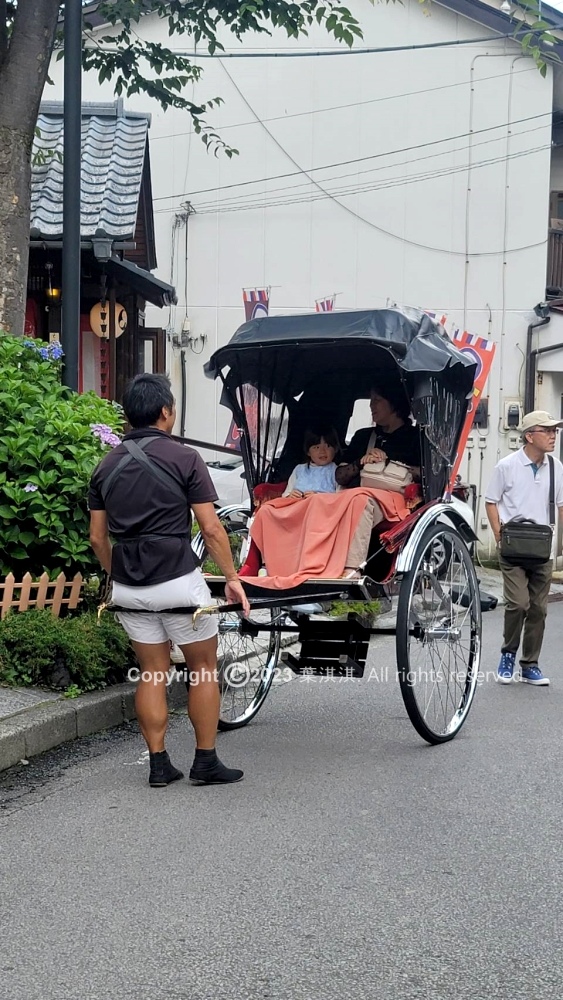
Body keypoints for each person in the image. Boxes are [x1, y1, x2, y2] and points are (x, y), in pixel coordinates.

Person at [88, 373, 250, 788]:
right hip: (178, 580)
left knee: (152, 672)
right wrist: (232, 578)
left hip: (129, 586)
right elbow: (212, 529)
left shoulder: (105, 466)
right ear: (165, 411)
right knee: (203, 668)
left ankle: (158, 765)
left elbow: (96, 537)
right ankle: (205, 762)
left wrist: (114, 575)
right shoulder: (184, 458)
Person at [485, 410, 563, 686]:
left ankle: (530, 664)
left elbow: (561, 506)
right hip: (514, 546)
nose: (553, 436)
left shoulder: (556, 467)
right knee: (518, 604)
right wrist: (498, 535)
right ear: (530, 436)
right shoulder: (507, 466)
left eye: (555, 431)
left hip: (543, 547)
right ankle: (507, 655)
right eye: (548, 431)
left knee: (539, 609)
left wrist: (560, 547)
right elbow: (491, 501)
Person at [335, 384, 421, 489]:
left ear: (394, 402)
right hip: (358, 497)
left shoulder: (417, 438)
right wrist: (362, 462)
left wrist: (386, 464)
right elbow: (340, 477)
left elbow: (426, 475)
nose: (371, 405)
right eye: (371, 400)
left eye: (377, 400)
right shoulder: (362, 436)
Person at [283, 426, 340, 498]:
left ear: (335, 449)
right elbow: (285, 494)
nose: (322, 451)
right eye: (316, 447)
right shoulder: (299, 469)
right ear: (308, 452)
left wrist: (319, 498)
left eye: (327, 446)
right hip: (297, 505)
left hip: (321, 507)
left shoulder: (337, 471)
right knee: (267, 508)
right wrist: (290, 496)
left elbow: (340, 499)